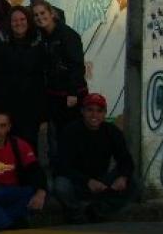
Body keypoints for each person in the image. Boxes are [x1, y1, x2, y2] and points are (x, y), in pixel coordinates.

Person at [54, 93, 136, 223]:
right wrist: (87, 181)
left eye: (99, 111)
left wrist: (123, 177)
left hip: (102, 181)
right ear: (82, 111)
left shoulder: (112, 131)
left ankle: (98, 210)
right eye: (90, 110)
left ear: (104, 113)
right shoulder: (70, 131)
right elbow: (62, 165)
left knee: (134, 182)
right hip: (77, 182)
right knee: (60, 186)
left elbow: (126, 160)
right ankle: (76, 213)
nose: (94, 115)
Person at [33, 0, 87, 163]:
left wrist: (72, 92)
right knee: (56, 132)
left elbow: (77, 65)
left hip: (71, 95)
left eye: (43, 13)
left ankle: (75, 166)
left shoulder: (68, 35)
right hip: (53, 94)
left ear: (52, 13)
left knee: (73, 132)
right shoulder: (42, 36)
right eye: (36, 15)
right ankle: (58, 166)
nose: (40, 17)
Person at [0, 6, 45, 149]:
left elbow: (42, 73)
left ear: (28, 21)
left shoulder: (39, 41)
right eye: (15, 20)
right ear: (9, 23)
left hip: (31, 101)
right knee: (6, 141)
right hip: (5, 101)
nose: (19, 23)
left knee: (29, 141)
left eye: (22, 19)